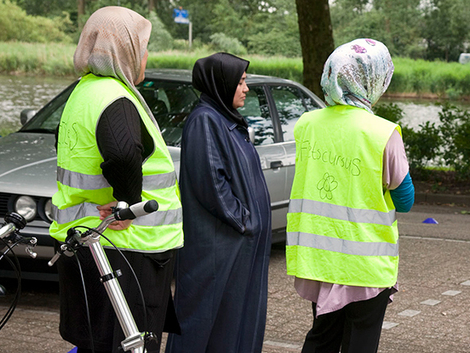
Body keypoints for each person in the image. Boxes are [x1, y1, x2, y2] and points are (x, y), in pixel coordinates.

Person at [50, 6, 183, 353]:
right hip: (128, 248)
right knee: (129, 344)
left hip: (86, 242)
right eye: (142, 45)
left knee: (93, 341)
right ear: (125, 48)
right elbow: (124, 153)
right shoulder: (115, 97)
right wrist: (127, 203)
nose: (146, 55)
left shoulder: (82, 93)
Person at [286, 38, 415, 353]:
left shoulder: (306, 124)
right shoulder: (382, 132)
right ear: (373, 79)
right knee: (361, 341)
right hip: (364, 264)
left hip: (318, 259)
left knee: (322, 337)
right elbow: (405, 200)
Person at [165, 53, 272, 353]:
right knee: (205, 324)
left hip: (234, 247)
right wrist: (246, 221)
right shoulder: (205, 121)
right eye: (240, 82)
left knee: (233, 323)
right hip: (217, 249)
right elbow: (211, 183)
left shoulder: (226, 118)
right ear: (221, 84)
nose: (246, 89)